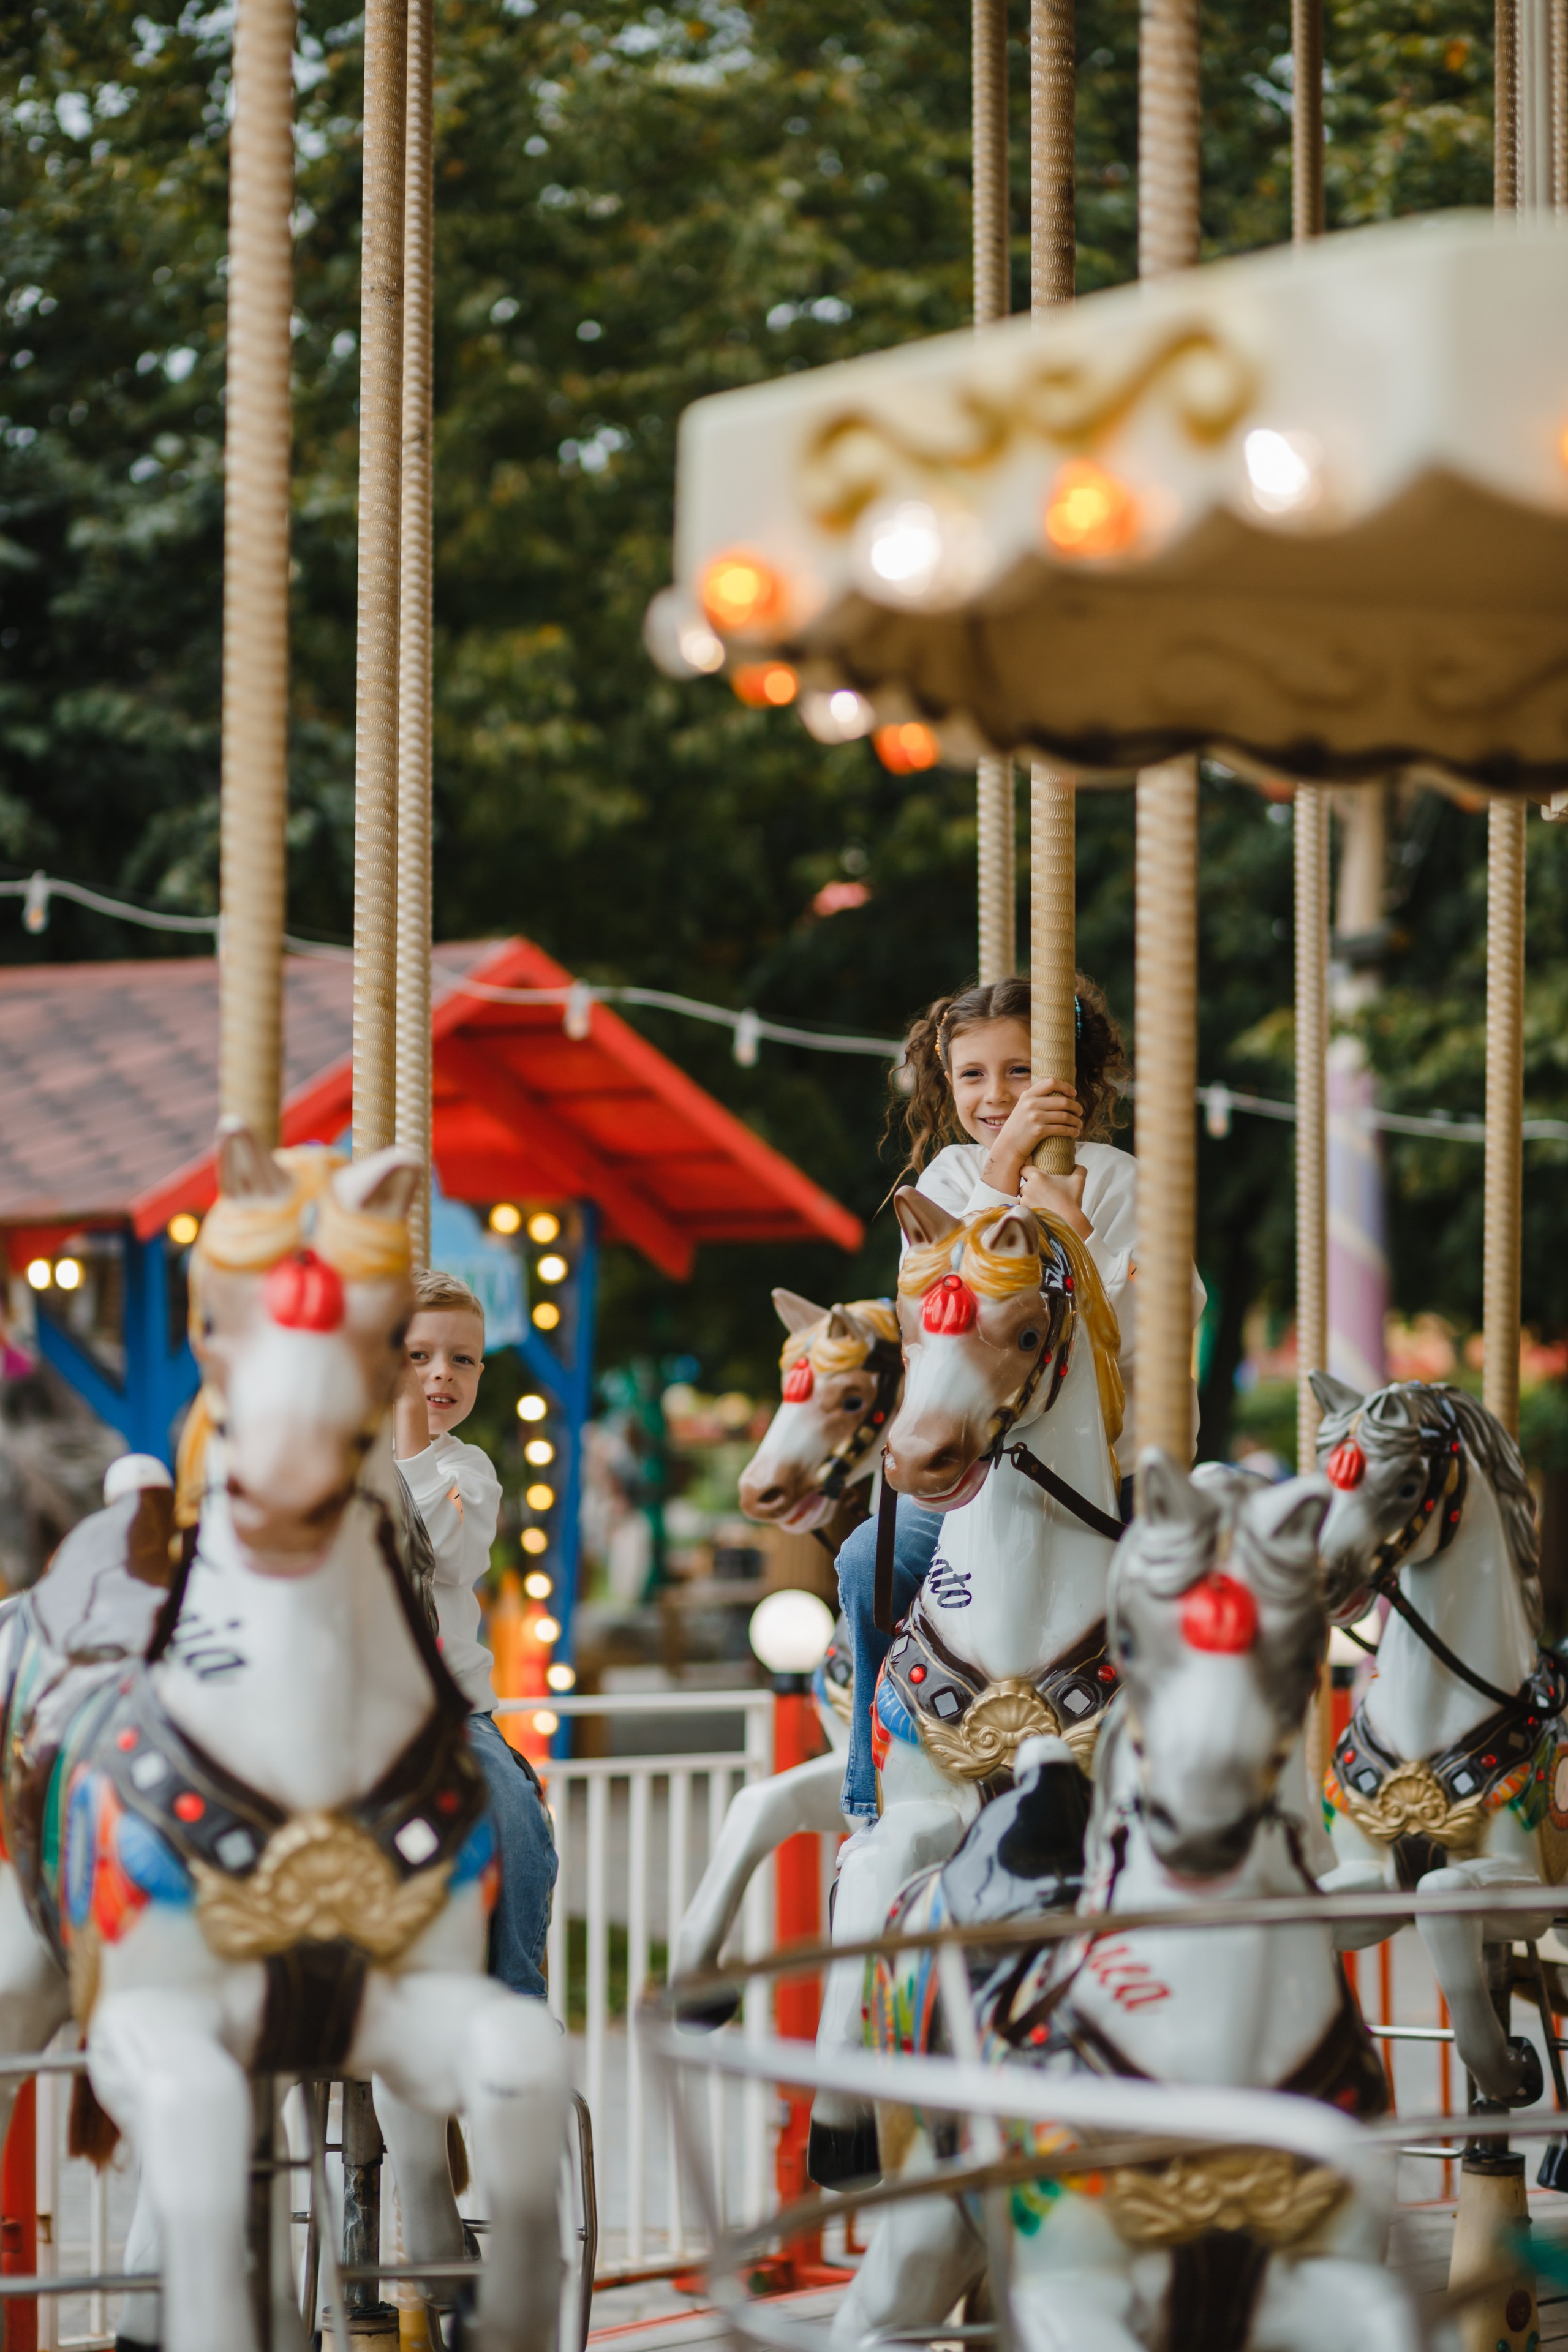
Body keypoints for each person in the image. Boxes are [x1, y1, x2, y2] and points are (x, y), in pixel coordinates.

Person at [832, 971, 1204, 1828]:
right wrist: (1004, 1169)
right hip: (982, 1480)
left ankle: (1217, 1794)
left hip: (1102, 1473)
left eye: (1019, 1072)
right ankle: (872, 1776)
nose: (996, 1095)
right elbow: (936, 1309)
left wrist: (1078, 1232)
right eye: (973, 1075)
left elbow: (1157, 1321)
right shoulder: (951, 1177)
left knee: (1219, 1590)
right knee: (863, 1562)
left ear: (1070, 1076)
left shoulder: (1123, 1180)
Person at [393, 1269, 559, 1998]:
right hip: (343, 1704)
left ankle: (517, 1993)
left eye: (462, 1360)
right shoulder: (339, 1456)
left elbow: (446, 1555)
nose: (441, 1374)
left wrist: (409, 1448)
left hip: (446, 1713)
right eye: (418, 1356)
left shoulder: (468, 1469)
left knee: (515, 1811)